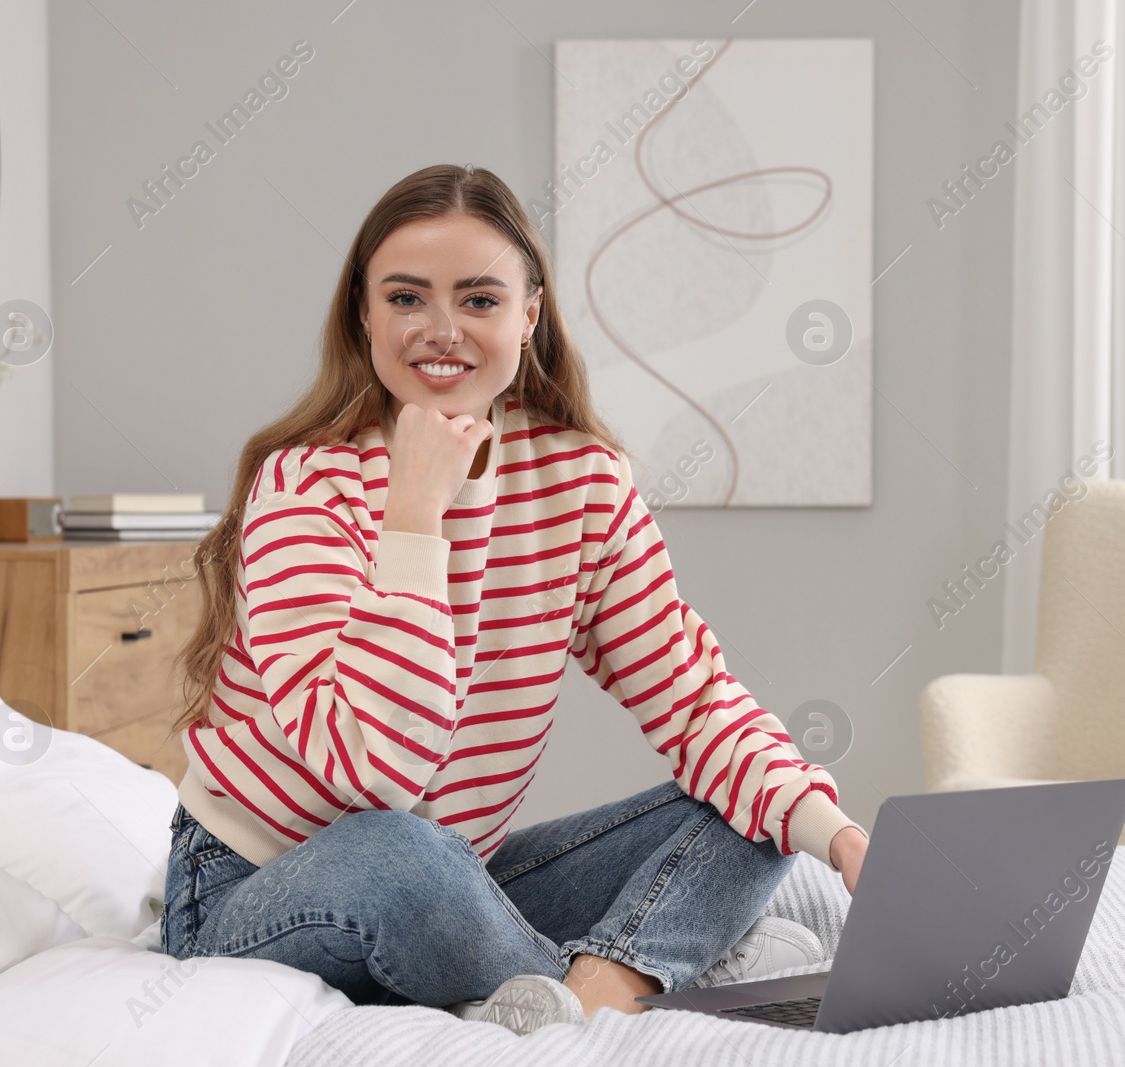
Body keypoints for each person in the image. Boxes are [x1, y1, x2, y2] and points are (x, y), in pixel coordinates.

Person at [159, 162, 871, 1035]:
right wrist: (415, 513)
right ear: (365, 315)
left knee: (750, 807)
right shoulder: (307, 485)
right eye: (407, 298)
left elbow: (693, 702)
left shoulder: (581, 482)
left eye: (480, 300)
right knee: (400, 852)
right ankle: (646, 972)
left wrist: (837, 834)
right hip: (259, 881)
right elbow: (377, 770)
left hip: (464, 876)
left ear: (530, 314)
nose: (441, 329)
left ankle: (587, 988)